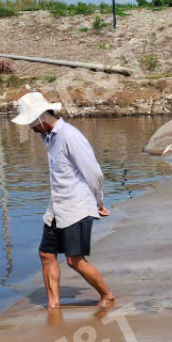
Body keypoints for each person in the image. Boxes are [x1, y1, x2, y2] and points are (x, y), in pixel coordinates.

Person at [11, 92, 116, 310]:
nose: (30, 129)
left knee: (74, 260)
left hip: (77, 205)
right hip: (57, 205)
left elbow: (93, 172)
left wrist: (98, 202)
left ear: (41, 117)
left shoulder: (70, 136)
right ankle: (53, 303)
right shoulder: (49, 137)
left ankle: (107, 295)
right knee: (46, 254)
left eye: (31, 123)